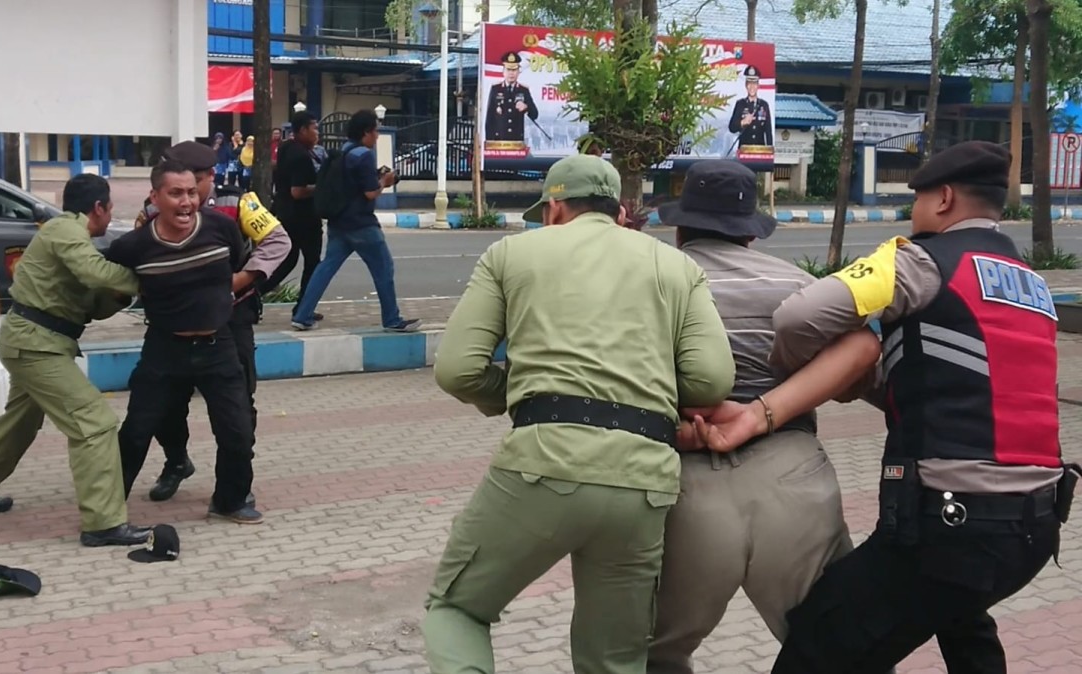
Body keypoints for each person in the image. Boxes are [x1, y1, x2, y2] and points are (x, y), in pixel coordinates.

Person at [688, 141, 1076, 674]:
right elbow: (967, 381)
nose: (912, 213)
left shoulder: (917, 260)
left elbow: (798, 319)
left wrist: (806, 375)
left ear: (943, 199)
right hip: (1034, 526)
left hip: (948, 523)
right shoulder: (1031, 283)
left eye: (916, 200)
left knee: (820, 644)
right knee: (962, 617)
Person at [422, 154, 737, 673]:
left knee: (457, 610)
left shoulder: (510, 254)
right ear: (620, 213)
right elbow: (711, 380)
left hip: (541, 464)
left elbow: (458, 370)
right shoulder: (678, 267)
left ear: (554, 209)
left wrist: (517, 393)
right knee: (614, 658)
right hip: (644, 481)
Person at [647, 161, 855, 674]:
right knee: (840, 646)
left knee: (653, 653)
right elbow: (849, 381)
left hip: (678, 479)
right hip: (794, 474)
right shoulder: (799, 286)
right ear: (750, 233)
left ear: (680, 228)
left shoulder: (651, 282)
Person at [0, 174, 152, 547]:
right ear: (99, 208)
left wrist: (121, 294)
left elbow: (93, 305)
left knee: (19, 424)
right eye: (109, 209)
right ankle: (103, 523)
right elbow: (95, 272)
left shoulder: (73, 240)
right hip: (36, 345)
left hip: (37, 343)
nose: (110, 216)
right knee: (94, 422)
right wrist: (149, 278)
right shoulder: (65, 230)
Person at [129, 141, 290, 503]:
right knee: (164, 406)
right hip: (174, 327)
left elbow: (278, 241)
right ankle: (176, 461)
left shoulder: (239, 202)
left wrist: (242, 278)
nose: (186, 192)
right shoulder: (154, 209)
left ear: (209, 177)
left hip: (231, 319)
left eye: (195, 181)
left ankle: (235, 485)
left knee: (237, 408)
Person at [106, 161, 261, 525]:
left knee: (237, 431)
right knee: (136, 431)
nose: (187, 201)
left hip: (218, 345)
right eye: (175, 193)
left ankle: (229, 501)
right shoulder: (133, 247)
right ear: (155, 197)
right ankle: (107, 508)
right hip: (164, 349)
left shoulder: (222, 228)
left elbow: (238, 267)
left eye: (192, 192)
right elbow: (109, 285)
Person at [290, 109, 420, 333]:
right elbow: (370, 192)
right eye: (376, 131)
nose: (377, 136)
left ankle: (302, 315)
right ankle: (392, 319)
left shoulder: (345, 151)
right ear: (366, 132)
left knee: (326, 268)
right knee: (384, 268)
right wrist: (385, 181)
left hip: (338, 222)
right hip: (361, 224)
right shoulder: (364, 155)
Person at [263, 111, 326, 321]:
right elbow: (297, 191)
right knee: (312, 263)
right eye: (314, 128)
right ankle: (303, 308)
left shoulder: (286, 147)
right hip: (303, 218)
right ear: (302, 130)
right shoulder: (301, 157)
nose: (317, 133)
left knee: (287, 262)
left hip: (285, 213)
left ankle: (250, 297)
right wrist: (322, 187)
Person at [484, 51, 539, 143]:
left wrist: (526, 107)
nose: (511, 73)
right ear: (503, 71)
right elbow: (490, 117)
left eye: (514, 70)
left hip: (517, 140)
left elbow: (535, 114)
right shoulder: (495, 89)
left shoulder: (523, 90)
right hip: (499, 140)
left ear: (518, 72)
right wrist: (489, 141)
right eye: (508, 70)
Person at [728, 65, 773, 148]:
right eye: (749, 83)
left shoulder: (764, 105)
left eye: (754, 83)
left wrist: (770, 151)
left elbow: (768, 131)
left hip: (760, 150)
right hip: (744, 150)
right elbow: (731, 128)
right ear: (746, 85)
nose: (752, 87)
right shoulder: (740, 104)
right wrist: (742, 122)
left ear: (758, 85)